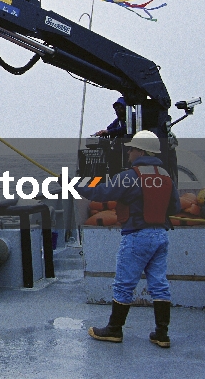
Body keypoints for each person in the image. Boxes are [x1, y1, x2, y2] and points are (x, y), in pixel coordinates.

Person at [77, 130, 181, 348]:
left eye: (132, 149)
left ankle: (114, 330)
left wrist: (73, 184)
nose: (129, 153)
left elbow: (101, 194)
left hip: (137, 236)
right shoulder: (166, 176)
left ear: (141, 151)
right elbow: (175, 207)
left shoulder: (129, 176)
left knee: (124, 284)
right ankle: (162, 334)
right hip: (161, 236)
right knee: (159, 284)